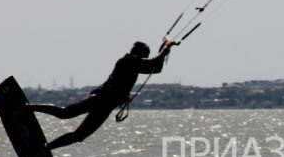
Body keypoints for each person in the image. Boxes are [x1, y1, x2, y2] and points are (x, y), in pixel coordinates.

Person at [29, 39, 176, 150]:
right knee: (64, 113)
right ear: (138, 54)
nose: (144, 60)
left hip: (106, 107)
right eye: (144, 57)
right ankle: (29, 107)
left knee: (79, 136)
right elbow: (152, 63)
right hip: (99, 99)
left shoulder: (134, 64)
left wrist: (163, 49)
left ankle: (46, 148)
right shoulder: (127, 61)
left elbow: (156, 69)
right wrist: (166, 48)